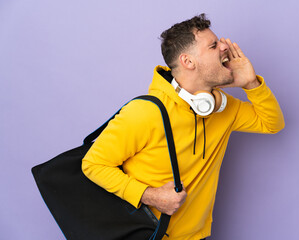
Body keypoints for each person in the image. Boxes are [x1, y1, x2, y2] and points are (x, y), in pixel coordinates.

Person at [82, 13, 285, 240]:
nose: (224, 48)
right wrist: (150, 195)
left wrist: (251, 84)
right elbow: (93, 164)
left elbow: (272, 124)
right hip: (149, 236)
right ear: (188, 61)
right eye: (213, 46)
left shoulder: (222, 108)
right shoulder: (146, 113)